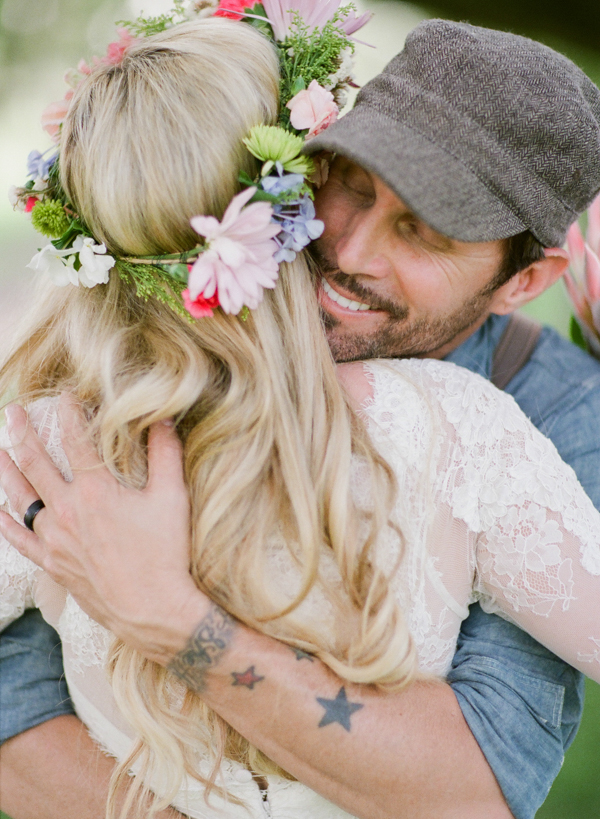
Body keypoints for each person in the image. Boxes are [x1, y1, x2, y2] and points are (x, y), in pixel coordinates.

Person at [2, 13, 600, 819]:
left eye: (423, 231)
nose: (347, 251)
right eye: (348, 184)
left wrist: (171, 616)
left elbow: (474, 784)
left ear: (525, 282)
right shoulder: (70, 420)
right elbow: (17, 692)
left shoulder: (526, 422)